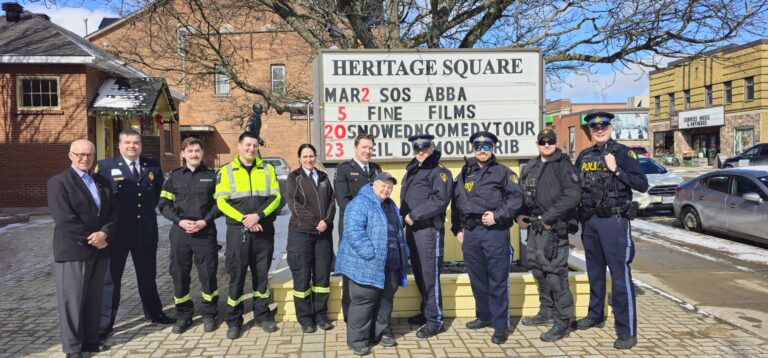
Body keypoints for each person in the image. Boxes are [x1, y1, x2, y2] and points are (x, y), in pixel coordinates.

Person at [574, 112, 649, 350]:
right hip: (590, 222)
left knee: (619, 276)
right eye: (594, 127)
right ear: (590, 130)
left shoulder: (623, 153)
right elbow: (576, 188)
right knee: (594, 273)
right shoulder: (584, 155)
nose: (599, 129)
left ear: (610, 127)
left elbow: (641, 184)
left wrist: (616, 170)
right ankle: (595, 315)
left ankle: (626, 331)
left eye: (603, 125)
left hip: (614, 221)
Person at [96, 129, 173, 341]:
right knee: (111, 281)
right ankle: (105, 324)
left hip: (145, 232)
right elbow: (101, 200)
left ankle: (154, 313)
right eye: (128, 142)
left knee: (147, 277)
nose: (132, 146)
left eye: (136, 142)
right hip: (117, 234)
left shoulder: (152, 166)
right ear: (119, 145)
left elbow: (156, 195)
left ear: (140, 145)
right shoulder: (105, 167)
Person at [452, 131, 523, 345]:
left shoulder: (503, 172)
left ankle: (501, 326)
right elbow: (456, 201)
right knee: (477, 279)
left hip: (494, 232)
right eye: (478, 147)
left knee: (497, 280)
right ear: (473, 149)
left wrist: (497, 215)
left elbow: (516, 198)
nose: (482, 151)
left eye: (487, 147)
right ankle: (484, 316)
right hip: (471, 233)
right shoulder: (465, 172)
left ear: (492, 149)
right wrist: (457, 229)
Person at [48, 140, 118, 358]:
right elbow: (64, 218)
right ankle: (73, 348)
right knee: (72, 301)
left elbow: (113, 212)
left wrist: (105, 233)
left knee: (93, 299)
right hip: (74, 251)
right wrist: (93, 238)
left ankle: (90, 341)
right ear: (70, 155)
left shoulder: (102, 181)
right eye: (79, 154)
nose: (84, 158)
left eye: (88, 154)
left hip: (100, 249)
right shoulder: (59, 182)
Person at [214, 131, 282, 339]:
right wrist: (246, 219)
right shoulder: (226, 171)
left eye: (255, 146)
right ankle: (234, 321)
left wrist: (258, 216)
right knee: (237, 277)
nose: (251, 149)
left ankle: (262, 316)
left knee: (262, 276)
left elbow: (277, 197)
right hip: (239, 231)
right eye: (248, 145)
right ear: (239, 146)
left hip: (263, 230)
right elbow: (221, 201)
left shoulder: (268, 169)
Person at [516, 129, 581, 342]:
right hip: (534, 229)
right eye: (542, 142)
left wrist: (548, 217)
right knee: (538, 271)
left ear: (556, 143)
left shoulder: (563, 165)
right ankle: (546, 312)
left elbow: (572, 195)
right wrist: (519, 216)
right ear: (537, 143)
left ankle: (563, 322)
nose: (546, 145)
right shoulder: (532, 166)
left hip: (553, 229)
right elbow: (522, 194)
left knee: (555, 275)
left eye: (550, 141)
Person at [335, 173, 409, 356]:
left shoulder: (390, 204)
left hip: (390, 263)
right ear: (373, 185)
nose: (386, 190)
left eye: (390, 187)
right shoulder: (360, 202)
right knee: (363, 301)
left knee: (385, 301)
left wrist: (403, 253)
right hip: (366, 263)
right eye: (383, 185)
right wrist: (370, 254)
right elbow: (353, 232)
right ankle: (357, 340)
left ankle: (378, 333)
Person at [158, 137, 220, 334]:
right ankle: (184, 315)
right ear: (183, 153)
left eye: (197, 150)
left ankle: (210, 313)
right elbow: (164, 205)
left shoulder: (212, 176)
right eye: (190, 151)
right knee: (179, 275)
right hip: (180, 233)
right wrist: (180, 221)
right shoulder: (174, 177)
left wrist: (205, 221)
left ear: (202, 153)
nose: (194, 154)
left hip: (205, 232)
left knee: (208, 275)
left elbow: (220, 204)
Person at [399, 134, 453, 339]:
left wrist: (415, 214)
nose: (421, 152)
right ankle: (426, 312)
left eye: (425, 148)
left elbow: (440, 200)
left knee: (430, 275)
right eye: (417, 149)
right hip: (412, 231)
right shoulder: (413, 171)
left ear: (433, 148)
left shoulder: (439, 172)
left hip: (428, 231)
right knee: (420, 274)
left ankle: (435, 320)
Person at [285, 144, 336, 333]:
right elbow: (294, 205)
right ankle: (305, 317)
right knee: (302, 277)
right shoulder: (294, 178)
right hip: (301, 235)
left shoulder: (323, 177)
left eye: (311, 156)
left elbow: (332, 201)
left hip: (323, 235)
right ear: (299, 158)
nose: (309, 159)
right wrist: (316, 221)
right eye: (305, 156)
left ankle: (321, 315)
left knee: (322, 277)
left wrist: (327, 220)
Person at [334, 133, 381, 321]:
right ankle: (350, 317)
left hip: (374, 230)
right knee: (351, 272)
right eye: (364, 147)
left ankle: (370, 315)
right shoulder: (344, 170)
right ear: (355, 148)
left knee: (373, 269)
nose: (367, 151)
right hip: (353, 229)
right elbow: (343, 200)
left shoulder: (377, 170)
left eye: (370, 148)